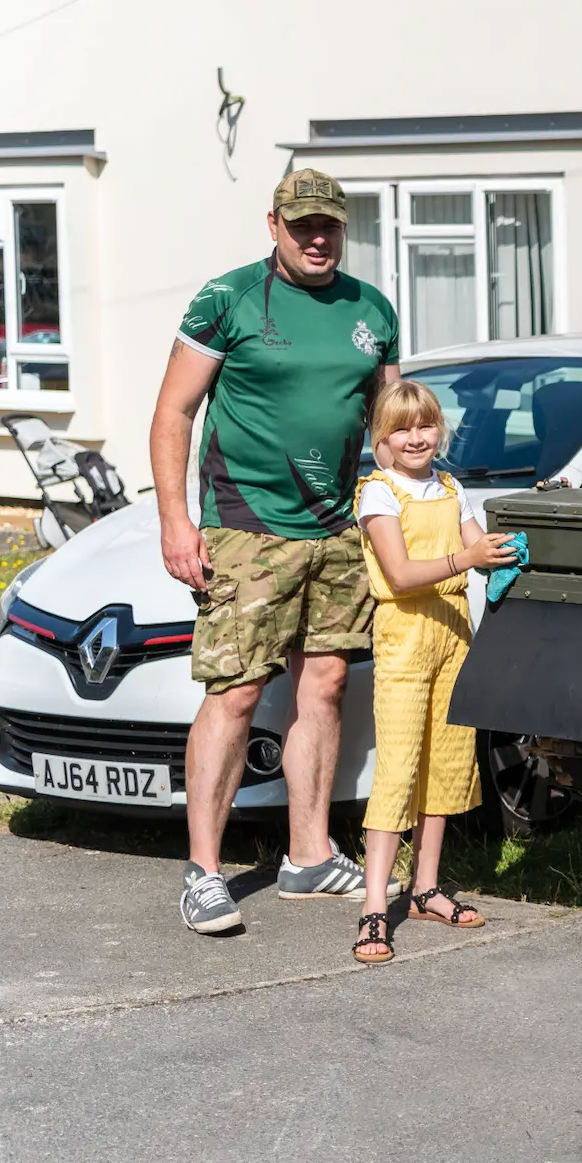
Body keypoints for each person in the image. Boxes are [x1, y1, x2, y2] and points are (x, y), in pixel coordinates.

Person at [151, 170, 403, 935]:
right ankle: (204, 871)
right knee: (234, 692)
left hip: (336, 532)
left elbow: (390, 426)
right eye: (302, 227)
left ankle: (309, 855)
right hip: (245, 527)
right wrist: (175, 523)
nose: (317, 239)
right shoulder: (226, 300)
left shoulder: (373, 310)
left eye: (329, 225)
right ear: (274, 226)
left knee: (323, 685)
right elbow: (173, 413)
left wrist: (414, 516)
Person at [350, 380, 518, 964]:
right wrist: (466, 560)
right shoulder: (378, 493)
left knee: (445, 762)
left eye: (425, 426)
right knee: (396, 767)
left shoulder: (451, 486)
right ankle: (375, 906)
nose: (416, 437)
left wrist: (509, 546)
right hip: (404, 636)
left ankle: (425, 887)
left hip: (453, 634)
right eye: (402, 428)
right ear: (383, 440)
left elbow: (482, 547)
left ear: (438, 430)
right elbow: (398, 573)